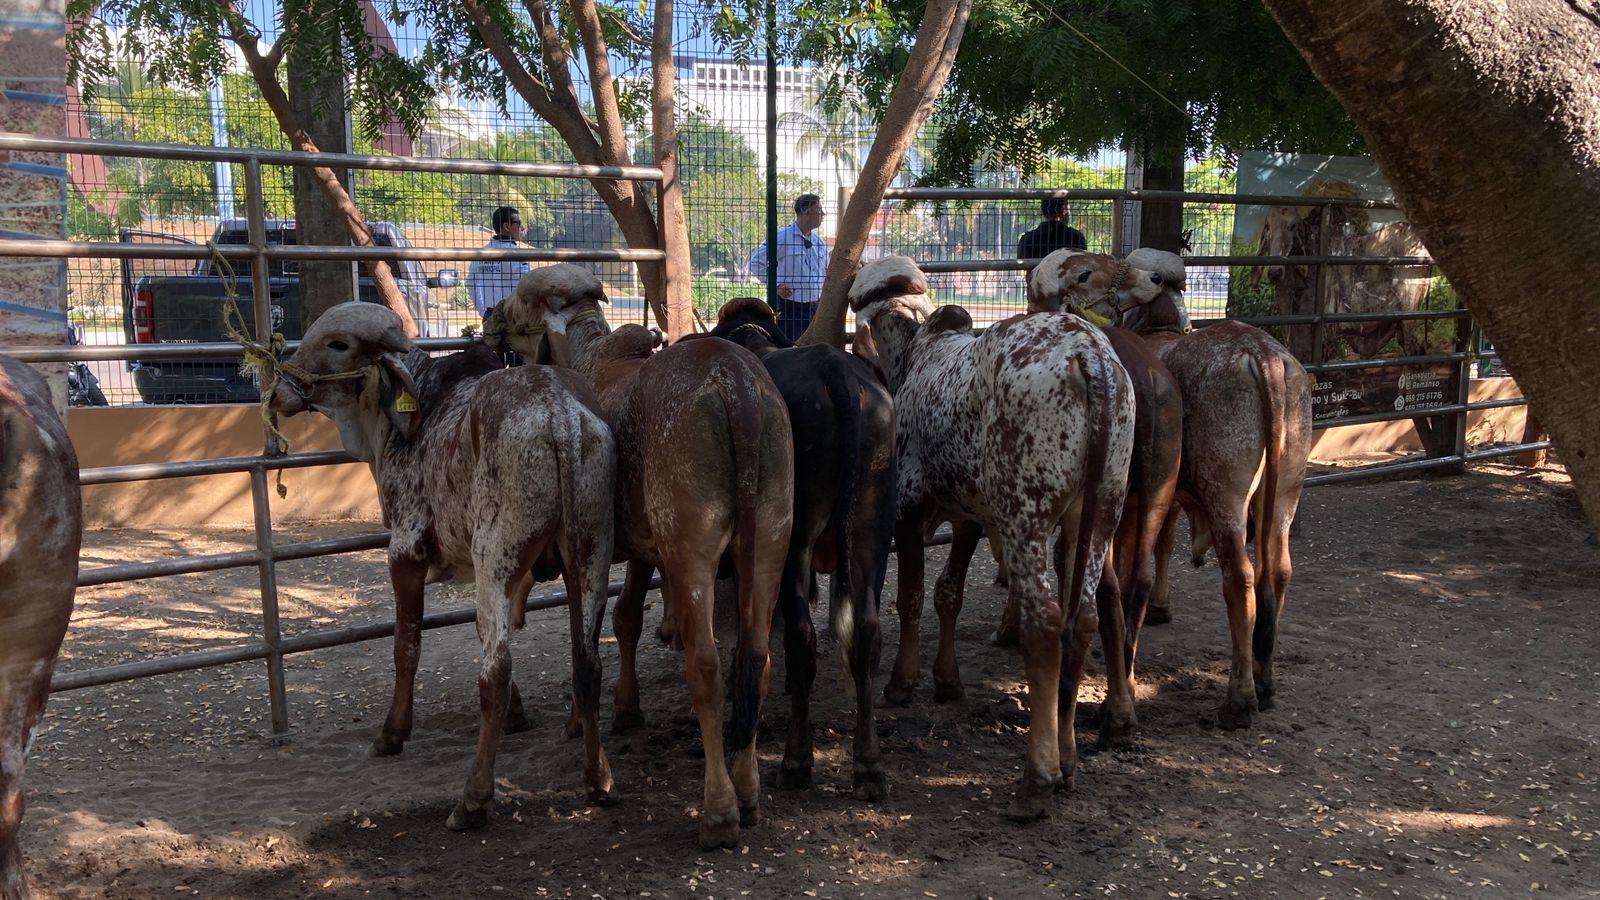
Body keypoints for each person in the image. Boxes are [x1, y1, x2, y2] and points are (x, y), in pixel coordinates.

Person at [748, 193, 830, 341]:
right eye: (819, 211)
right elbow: (755, 263)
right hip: (791, 308)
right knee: (792, 350)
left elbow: (825, 271)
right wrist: (776, 286)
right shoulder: (781, 238)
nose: (822, 215)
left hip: (816, 308)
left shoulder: (819, 243)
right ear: (807, 213)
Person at [467, 206, 530, 324]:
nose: (521, 227)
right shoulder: (518, 255)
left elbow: (471, 283)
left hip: (490, 314)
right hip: (513, 315)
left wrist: (483, 311)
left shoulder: (482, 253)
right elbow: (525, 287)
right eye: (518, 223)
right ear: (506, 226)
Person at [1016, 196, 1088, 260]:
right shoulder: (1076, 237)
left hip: (1039, 275)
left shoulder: (1027, 240)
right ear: (1062, 211)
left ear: (1042, 211)